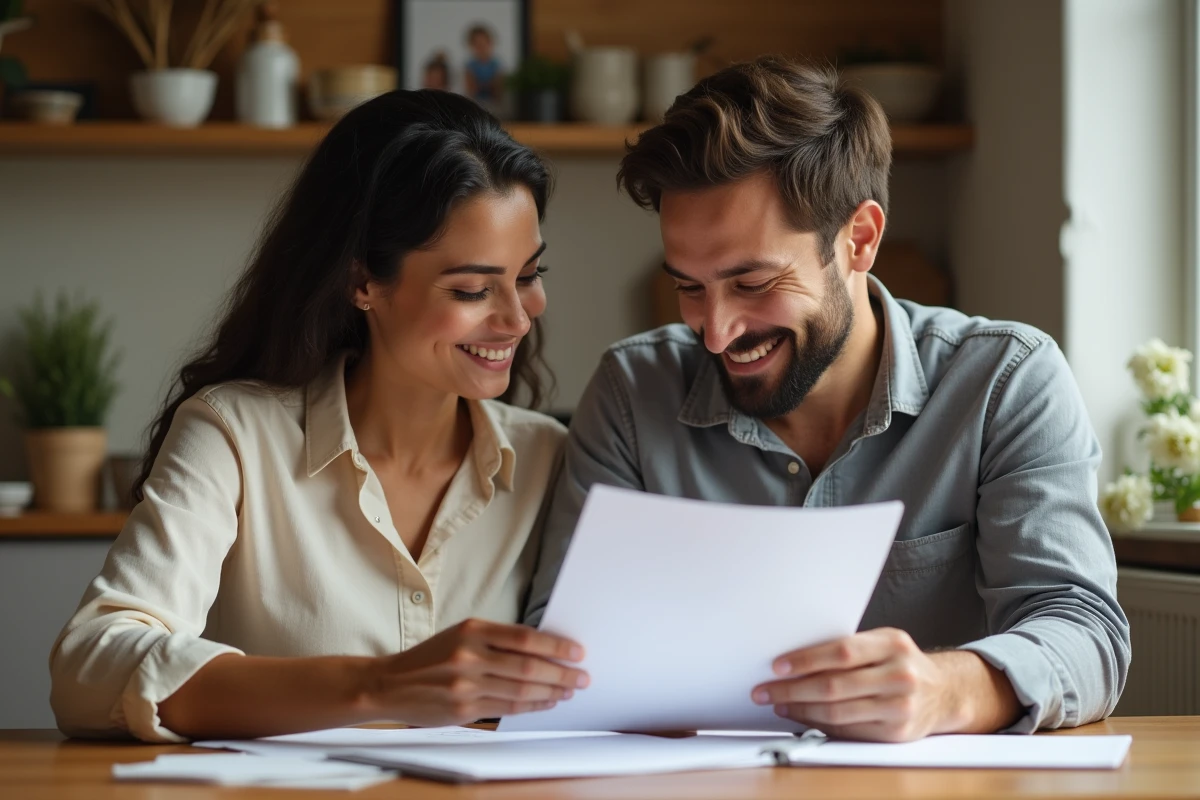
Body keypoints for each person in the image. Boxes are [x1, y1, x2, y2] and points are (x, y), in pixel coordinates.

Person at [525, 57, 1130, 742]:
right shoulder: (633, 393)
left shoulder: (1004, 382)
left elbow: (1085, 634)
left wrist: (945, 691)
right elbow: (558, 649)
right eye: (690, 286)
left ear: (859, 240)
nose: (717, 331)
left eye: (752, 282)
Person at [50, 90, 588, 743]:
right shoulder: (235, 434)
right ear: (363, 281)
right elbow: (89, 667)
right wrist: (378, 686)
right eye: (472, 290)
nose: (517, 316)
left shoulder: (550, 460)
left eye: (529, 274)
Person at [463, 24, 503, 106]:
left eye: (483, 43)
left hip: (495, 106)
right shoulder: (470, 66)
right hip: (476, 106)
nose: (481, 47)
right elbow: (470, 91)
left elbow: (499, 90)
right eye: (477, 44)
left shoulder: (496, 65)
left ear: (489, 42)